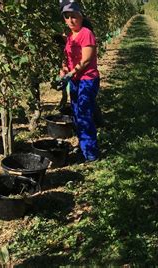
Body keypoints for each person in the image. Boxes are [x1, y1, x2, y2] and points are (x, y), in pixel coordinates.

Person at [59, 1, 99, 162]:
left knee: (84, 114)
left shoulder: (86, 33)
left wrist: (72, 72)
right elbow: (66, 57)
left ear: (81, 16)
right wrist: (63, 71)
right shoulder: (69, 36)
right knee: (77, 113)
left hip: (87, 79)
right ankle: (83, 148)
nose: (70, 20)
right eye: (67, 17)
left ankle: (90, 153)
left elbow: (87, 59)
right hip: (74, 80)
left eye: (73, 16)